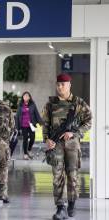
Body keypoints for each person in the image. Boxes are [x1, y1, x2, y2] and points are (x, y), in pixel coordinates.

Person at [42, 73, 92, 220]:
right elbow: (45, 125)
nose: (60, 87)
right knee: (57, 176)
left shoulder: (79, 103)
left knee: (73, 175)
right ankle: (60, 207)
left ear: (69, 85)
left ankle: (71, 203)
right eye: (58, 84)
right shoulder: (50, 104)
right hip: (55, 145)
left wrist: (74, 132)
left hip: (72, 145)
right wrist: (47, 140)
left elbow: (89, 121)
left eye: (63, 84)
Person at [16, 91, 43, 160]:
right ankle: (25, 154)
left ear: (29, 97)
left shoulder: (32, 105)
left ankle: (29, 149)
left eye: (27, 96)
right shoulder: (20, 105)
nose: (26, 97)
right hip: (23, 125)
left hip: (31, 124)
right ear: (23, 97)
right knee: (25, 139)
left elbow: (36, 113)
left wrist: (40, 122)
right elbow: (17, 116)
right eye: (24, 96)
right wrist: (17, 126)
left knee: (32, 138)